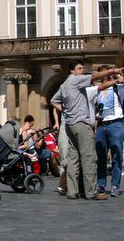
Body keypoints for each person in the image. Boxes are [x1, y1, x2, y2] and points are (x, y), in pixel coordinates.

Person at [50, 61, 122, 200]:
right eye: (79, 68)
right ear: (72, 70)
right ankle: (91, 192)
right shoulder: (76, 80)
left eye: (83, 68)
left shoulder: (64, 85)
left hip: (70, 125)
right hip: (81, 124)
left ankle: (72, 191)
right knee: (89, 157)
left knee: (73, 159)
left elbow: (54, 100)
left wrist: (66, 111)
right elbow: (95, 77)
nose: (82, 70)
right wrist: (113, 72)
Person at [94, 66, 124, 197]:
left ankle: (115, 185)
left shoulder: (118, 87)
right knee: (101, 156)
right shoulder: (97, 89)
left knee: (117, 155)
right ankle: (101, 184)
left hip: (116, 123)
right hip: (101, 125)